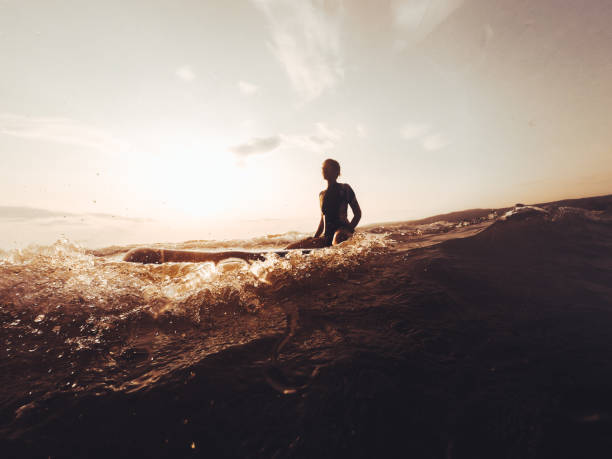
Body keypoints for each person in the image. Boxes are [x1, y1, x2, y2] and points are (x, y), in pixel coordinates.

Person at [286, 159, 361, 249]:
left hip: (342, 231)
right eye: (323, 168)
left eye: (327, 167)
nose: (324, 170)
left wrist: (347, 230)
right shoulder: (322, 194)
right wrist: (315, 238)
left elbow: (357, 214)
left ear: (336, 172)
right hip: (327, 235)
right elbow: (322, 221)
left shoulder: (345, 188)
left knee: (337, 238)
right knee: (292, 247)